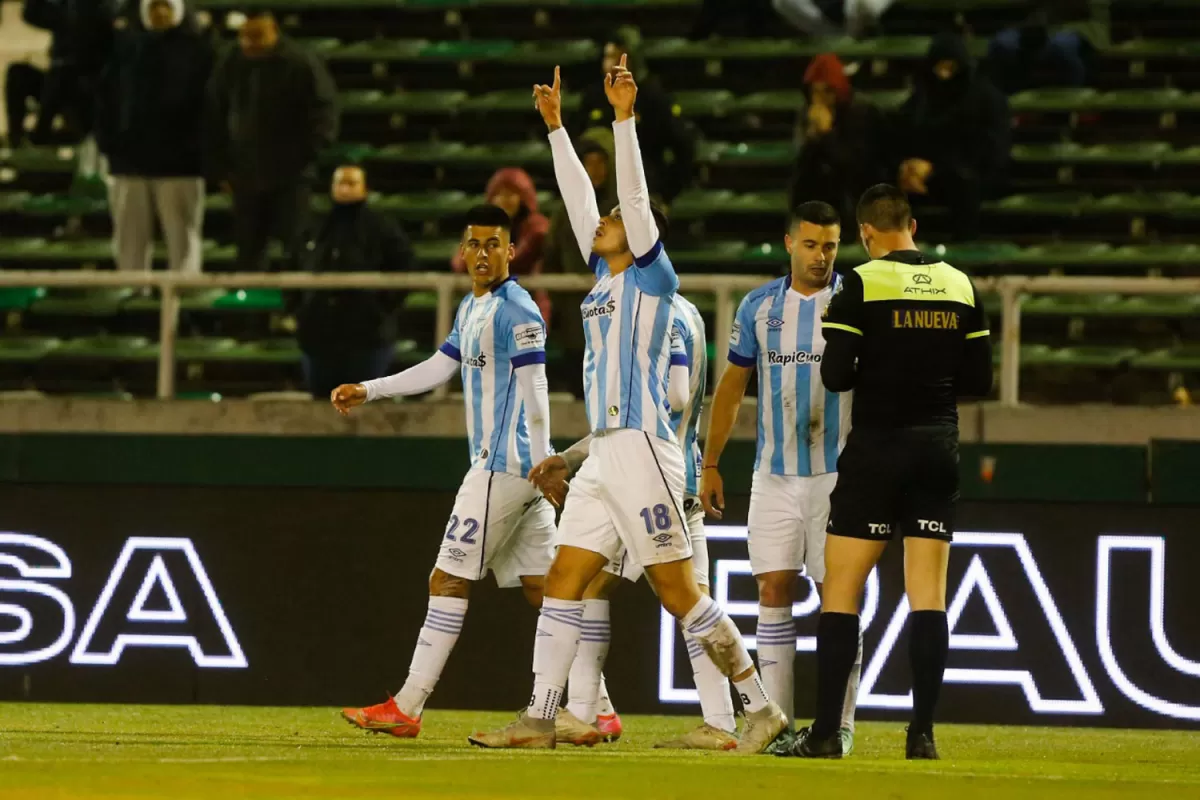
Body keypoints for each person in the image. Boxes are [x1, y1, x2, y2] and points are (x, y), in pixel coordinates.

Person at [468, 61, 785, 752]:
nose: (605, 220)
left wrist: (623, 117)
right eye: (605, 221)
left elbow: (630, 201)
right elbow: (583, 203)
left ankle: (759, 707)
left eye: (616, 220)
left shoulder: (651, 278)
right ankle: (541, 717)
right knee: (564, 578)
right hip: (607, 449)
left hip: (643, 448)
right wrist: (554, 128)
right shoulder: (604, 280)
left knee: (678, 592)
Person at [782, 185, 993, 760]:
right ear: (913, 225)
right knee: (929, 597)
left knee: (842, 595)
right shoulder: (959, 283)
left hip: (876, 451)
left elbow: (836, 377)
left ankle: (826, 733)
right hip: (936, 449)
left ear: (866, 233)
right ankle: (921, 734)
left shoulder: (860, 282)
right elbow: (979, 382)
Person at [334, 204, 555, 739]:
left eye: (493, 244)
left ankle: (408, 705)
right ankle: (595, 706)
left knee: (448, 577)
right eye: (474, 244)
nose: (483, 254)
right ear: (462, 252)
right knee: (548, 589)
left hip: (502, 467)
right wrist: (373, 389)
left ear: (511, 249)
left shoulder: (518, 311)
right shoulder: (472, 307)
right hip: (520, 473)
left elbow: (537, 391)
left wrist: (546, 460)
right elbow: (440, 367)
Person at [532, 293, 739, 751]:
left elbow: (665, 402)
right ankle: (721, 720)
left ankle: (589, 713)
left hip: (647, 476)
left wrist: (576, 454)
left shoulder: (653, 313)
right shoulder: (688, 313)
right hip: (677, 469)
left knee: (609, 589)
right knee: (683, 597)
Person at [700, 201, 861, 755]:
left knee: (836, 596)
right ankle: (779, 724)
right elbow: (732, 385)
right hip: (774, 474)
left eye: (832, 246)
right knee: (773, 590)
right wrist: (711, 461)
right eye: (812, 244)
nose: (822, 256)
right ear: (789, 243)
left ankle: (837, 726)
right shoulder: (758, 306)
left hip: (838, 475)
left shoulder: (854, 299)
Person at [206, 9, 338, 271]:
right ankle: (252, 310)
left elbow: (324, 111)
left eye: (258, 36)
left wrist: (308, 154)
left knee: (296, 247)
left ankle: (298, 307)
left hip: (290, 174)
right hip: (245, 173)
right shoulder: (231, 62)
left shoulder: (300, 62)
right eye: (247, 37)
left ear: (273, 30)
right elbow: (214, 114)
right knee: (249, 251)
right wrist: (220, 166)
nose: (252, 43)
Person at [96, 0, 214, 275]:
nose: (160, 13)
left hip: (180, 164)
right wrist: (110, 144)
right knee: (129, 240)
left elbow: (210, 108)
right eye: (154, 7)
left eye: (166, 7)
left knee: (183, 239)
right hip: (129, 162)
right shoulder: (124, 49)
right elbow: (106, 100)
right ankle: (131, 297)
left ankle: (184, 301)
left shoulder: (200, 51)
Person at [292, 165, 414, 399]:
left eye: (352, 183)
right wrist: (300, 310)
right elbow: (292, 265)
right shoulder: (314, 227)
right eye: (340, 183)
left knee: (364, 407)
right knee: (320, 408)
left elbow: (405, 269)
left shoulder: (382, 228)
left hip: (367, 338)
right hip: (318, 336)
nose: (345, 189)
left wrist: (380, 308)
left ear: (365, 188)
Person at [889, 32, 1009, 242]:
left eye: (950, 68)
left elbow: (987, 150)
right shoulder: (923, 97)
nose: (944, 75)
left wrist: (936, 168)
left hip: (970, 177)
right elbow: (903, 134)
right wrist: (906, 166)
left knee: (963, 185)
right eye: (939, 67)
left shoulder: (984, 99)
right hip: (923, 176)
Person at [572, 27, 696, 204]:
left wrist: (665, 194)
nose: (611, 64)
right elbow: (575, 141)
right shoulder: (594, 97)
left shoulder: (653, 97)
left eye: (619, 57)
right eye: (609, 57)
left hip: (642, 195)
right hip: (597, 195)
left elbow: (684, 147)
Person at [543, 127, 617, 398]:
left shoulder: (621, 209)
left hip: (616, 317)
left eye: (601, 163)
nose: (595, 170)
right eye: (589, 163)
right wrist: (560, 300)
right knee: (579, 389)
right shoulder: (565, 211)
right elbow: (551, 259)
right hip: (575, 317)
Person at [789, 54, 886, 241]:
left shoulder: (860, 111)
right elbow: (800, 167)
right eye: (815, 92)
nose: (820, 99)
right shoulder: (807, 113)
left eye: (826, 91)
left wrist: (827, 135)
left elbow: (857, 167)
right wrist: (812, 138)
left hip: (853, 197)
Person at [452, 168, 551, 323]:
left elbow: (517, 262)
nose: (504, 200)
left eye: (511, 194)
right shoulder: (479, 226)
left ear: (523, 197)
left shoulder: (537, 228)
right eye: (499, 194)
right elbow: (460, 262)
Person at [985, 1, 1110, 95]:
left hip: (1075, 23)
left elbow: (1082, 9)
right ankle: (1011, 101)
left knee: (1060, 46)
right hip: (1034, 22)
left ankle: (1073, 98)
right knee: (1001, 43)